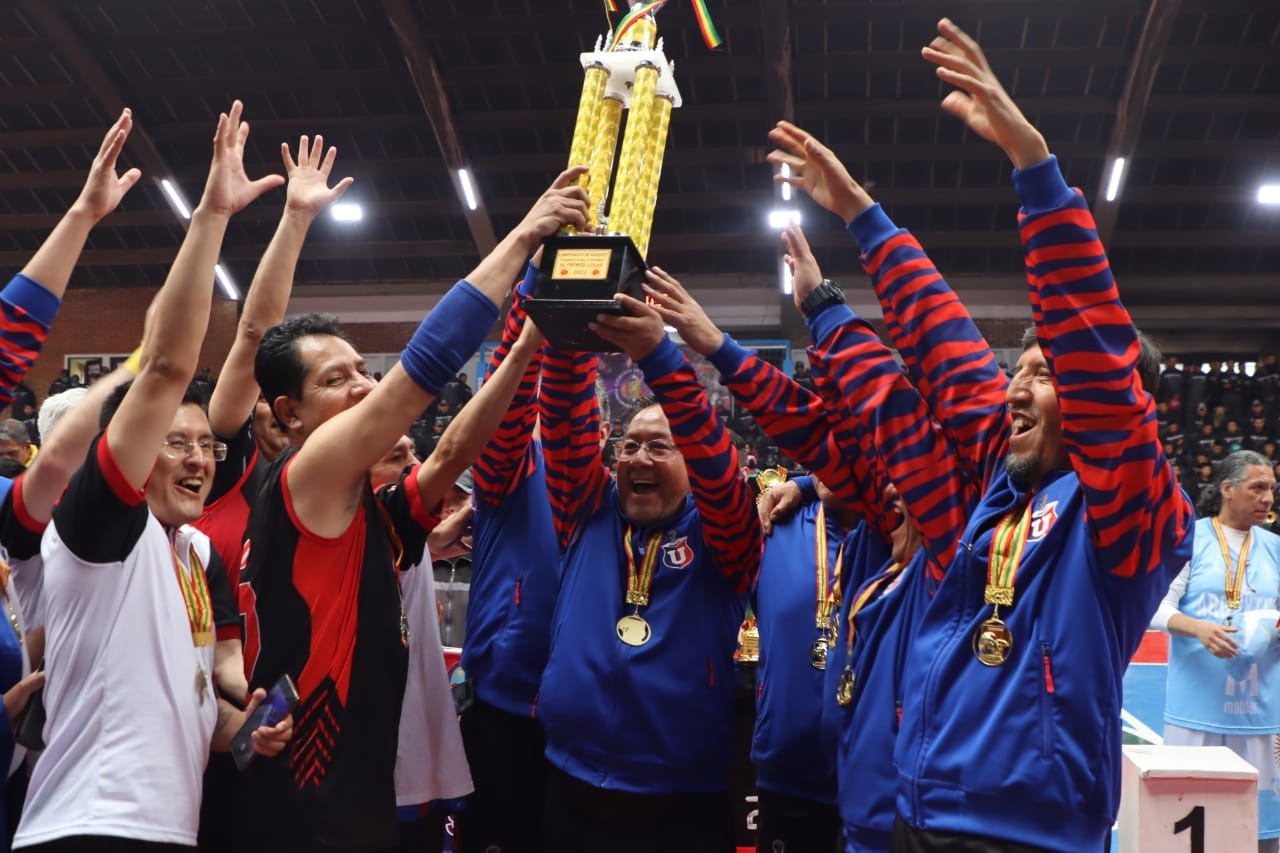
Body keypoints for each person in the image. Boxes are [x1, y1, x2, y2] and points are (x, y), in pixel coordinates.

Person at [768, 19, 1194, 851]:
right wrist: (859, 219)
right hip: (916, 820)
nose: (1015, 389)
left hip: (1026, 838)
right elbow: (929, 364)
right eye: (1021, 370)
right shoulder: (986, 497)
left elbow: (1097, 366)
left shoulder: (1131, 516)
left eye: (1042, 371)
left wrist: (1036, 173)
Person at [234, 166, 590, 852]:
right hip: (306, 810)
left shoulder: (359, 508)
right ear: (289, 414)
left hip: (343, 789)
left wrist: (526, 347)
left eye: (364, 369)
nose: (364, 387)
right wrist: (522, 236)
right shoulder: (301, 478)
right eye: (335, 380)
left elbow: (452, 452)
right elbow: (418, 376)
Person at [13, 100, 292, 852]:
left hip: (170, 826)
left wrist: (242, 727)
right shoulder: (101, 525)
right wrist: (211, 212)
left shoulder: (193, 554)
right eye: (175, 442)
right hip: (90, 824)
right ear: (130, 451)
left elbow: (184, 704)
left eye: (206, 446)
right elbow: (169, 364)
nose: (199, 458)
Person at [537, 293, 761, 852]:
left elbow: (714, 457)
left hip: (681, 796)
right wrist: (573, 321)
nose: (638, 458)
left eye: (660, 447)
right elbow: (564, 421)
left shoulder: (725, 534)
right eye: (628, 445)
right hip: (568, 782)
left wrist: (659, 355)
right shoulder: (585, 512)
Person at [191, 132, 353, 853]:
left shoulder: (333, 494)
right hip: (204, 728)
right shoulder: (217, 470)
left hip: (281, 729)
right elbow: (254, 333)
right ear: (276, 409)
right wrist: (293, 220)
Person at [1154, 450, 1280, 853]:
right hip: (1196, 713)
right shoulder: (1191, 540)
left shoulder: (1276, 548)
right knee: (1185, 831)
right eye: (1257, 488)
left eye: (1272, 490)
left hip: (1260, 713)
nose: (1268, 499)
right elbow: (1153, 607)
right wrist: (1198, 628)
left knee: (1262, 832)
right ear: (1228, 489)